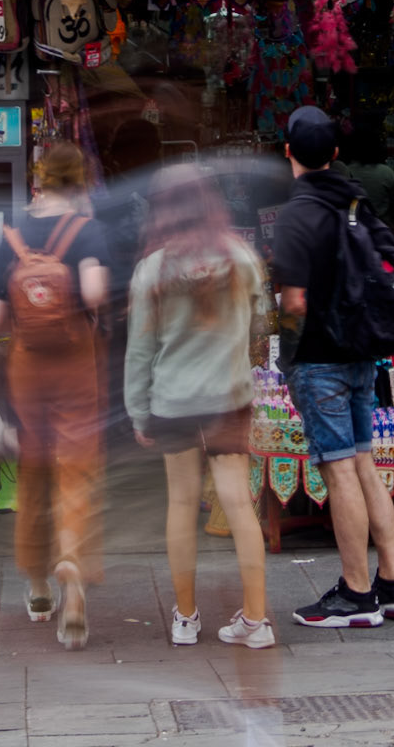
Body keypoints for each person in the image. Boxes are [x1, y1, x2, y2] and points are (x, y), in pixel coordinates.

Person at [270, 105, 394, 630]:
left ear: (288, 151)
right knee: (363, 463)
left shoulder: (297, 214)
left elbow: (294, 304)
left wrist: (287, 357)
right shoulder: (356, 199)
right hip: (360, 353)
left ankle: (356, 594)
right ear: (334, 153)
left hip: (321, 360)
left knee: (338, 471)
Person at [125, 164, 273, 648]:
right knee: (238, 503)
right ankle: (256, 622)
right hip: (228, 397)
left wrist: (138, 411)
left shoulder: (153, 269)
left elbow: (140, 351)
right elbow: (261, 323)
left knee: (182, 504)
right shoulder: (243, 258)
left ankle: (185, 618)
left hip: (173, 401)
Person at [0, 141, 109, 650]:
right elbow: (96, 293)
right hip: (77, 365)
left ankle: (37, 583)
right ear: (78, 183)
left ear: (37, 180)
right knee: (77, 467)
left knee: (34, 469)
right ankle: (72, 564)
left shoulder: (12, 233)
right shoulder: (87, 229)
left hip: (27, 367)